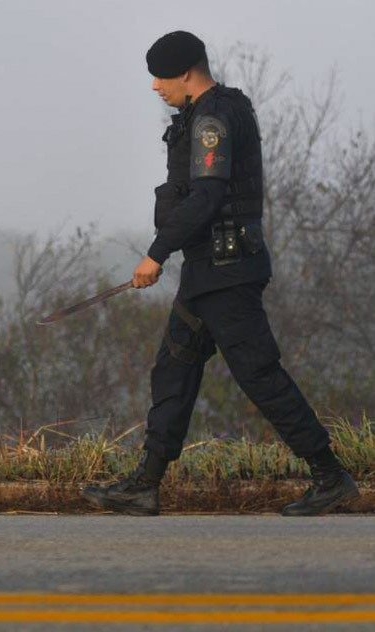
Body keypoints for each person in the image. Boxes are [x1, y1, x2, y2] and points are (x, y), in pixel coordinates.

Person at [81, 32, 359, 517]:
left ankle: (331, 477)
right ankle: (144, 486)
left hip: (229, 274)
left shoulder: (214, 118)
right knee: (174, 368)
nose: (154, 86)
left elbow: (206, 197)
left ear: (187, 72)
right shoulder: (201, 115)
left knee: (259, 375)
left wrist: (156, 253)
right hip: (207, 273)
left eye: (160, 76)